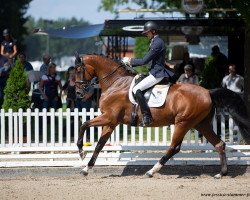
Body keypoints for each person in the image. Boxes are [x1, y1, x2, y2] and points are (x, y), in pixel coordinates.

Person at [121, 21, 175, 126]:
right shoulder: (155, 41)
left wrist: (130, 61)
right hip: (153, 72)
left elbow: (144, 61)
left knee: (136, 89)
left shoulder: (157, 42)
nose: (146, 35)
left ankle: (147, 116)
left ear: (153, 31)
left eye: (147, 33)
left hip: (157, 74)